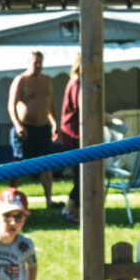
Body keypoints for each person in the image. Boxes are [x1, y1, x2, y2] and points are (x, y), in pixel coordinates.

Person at [8, 50, 63, 210]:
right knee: (18, 165)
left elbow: (50, 103)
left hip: (42, 128)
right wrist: (18, 125)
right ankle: (11, 200)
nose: (38, 65)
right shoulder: (21, 80)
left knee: (46, 164)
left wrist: (55, 123)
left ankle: (49, 201)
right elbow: (11, 105)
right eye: (35, 62)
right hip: (25, 128)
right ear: (28, 63)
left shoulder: (46, 80)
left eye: (40, 62)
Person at [57, 53, 84, 223]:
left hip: (73, 133)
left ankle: (77, 211)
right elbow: (85, 107)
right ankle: (69, 208)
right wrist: (107, 118)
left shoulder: (75, 81)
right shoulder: (77, 82)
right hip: (75, 134)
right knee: (83, 174)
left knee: (81, 174)